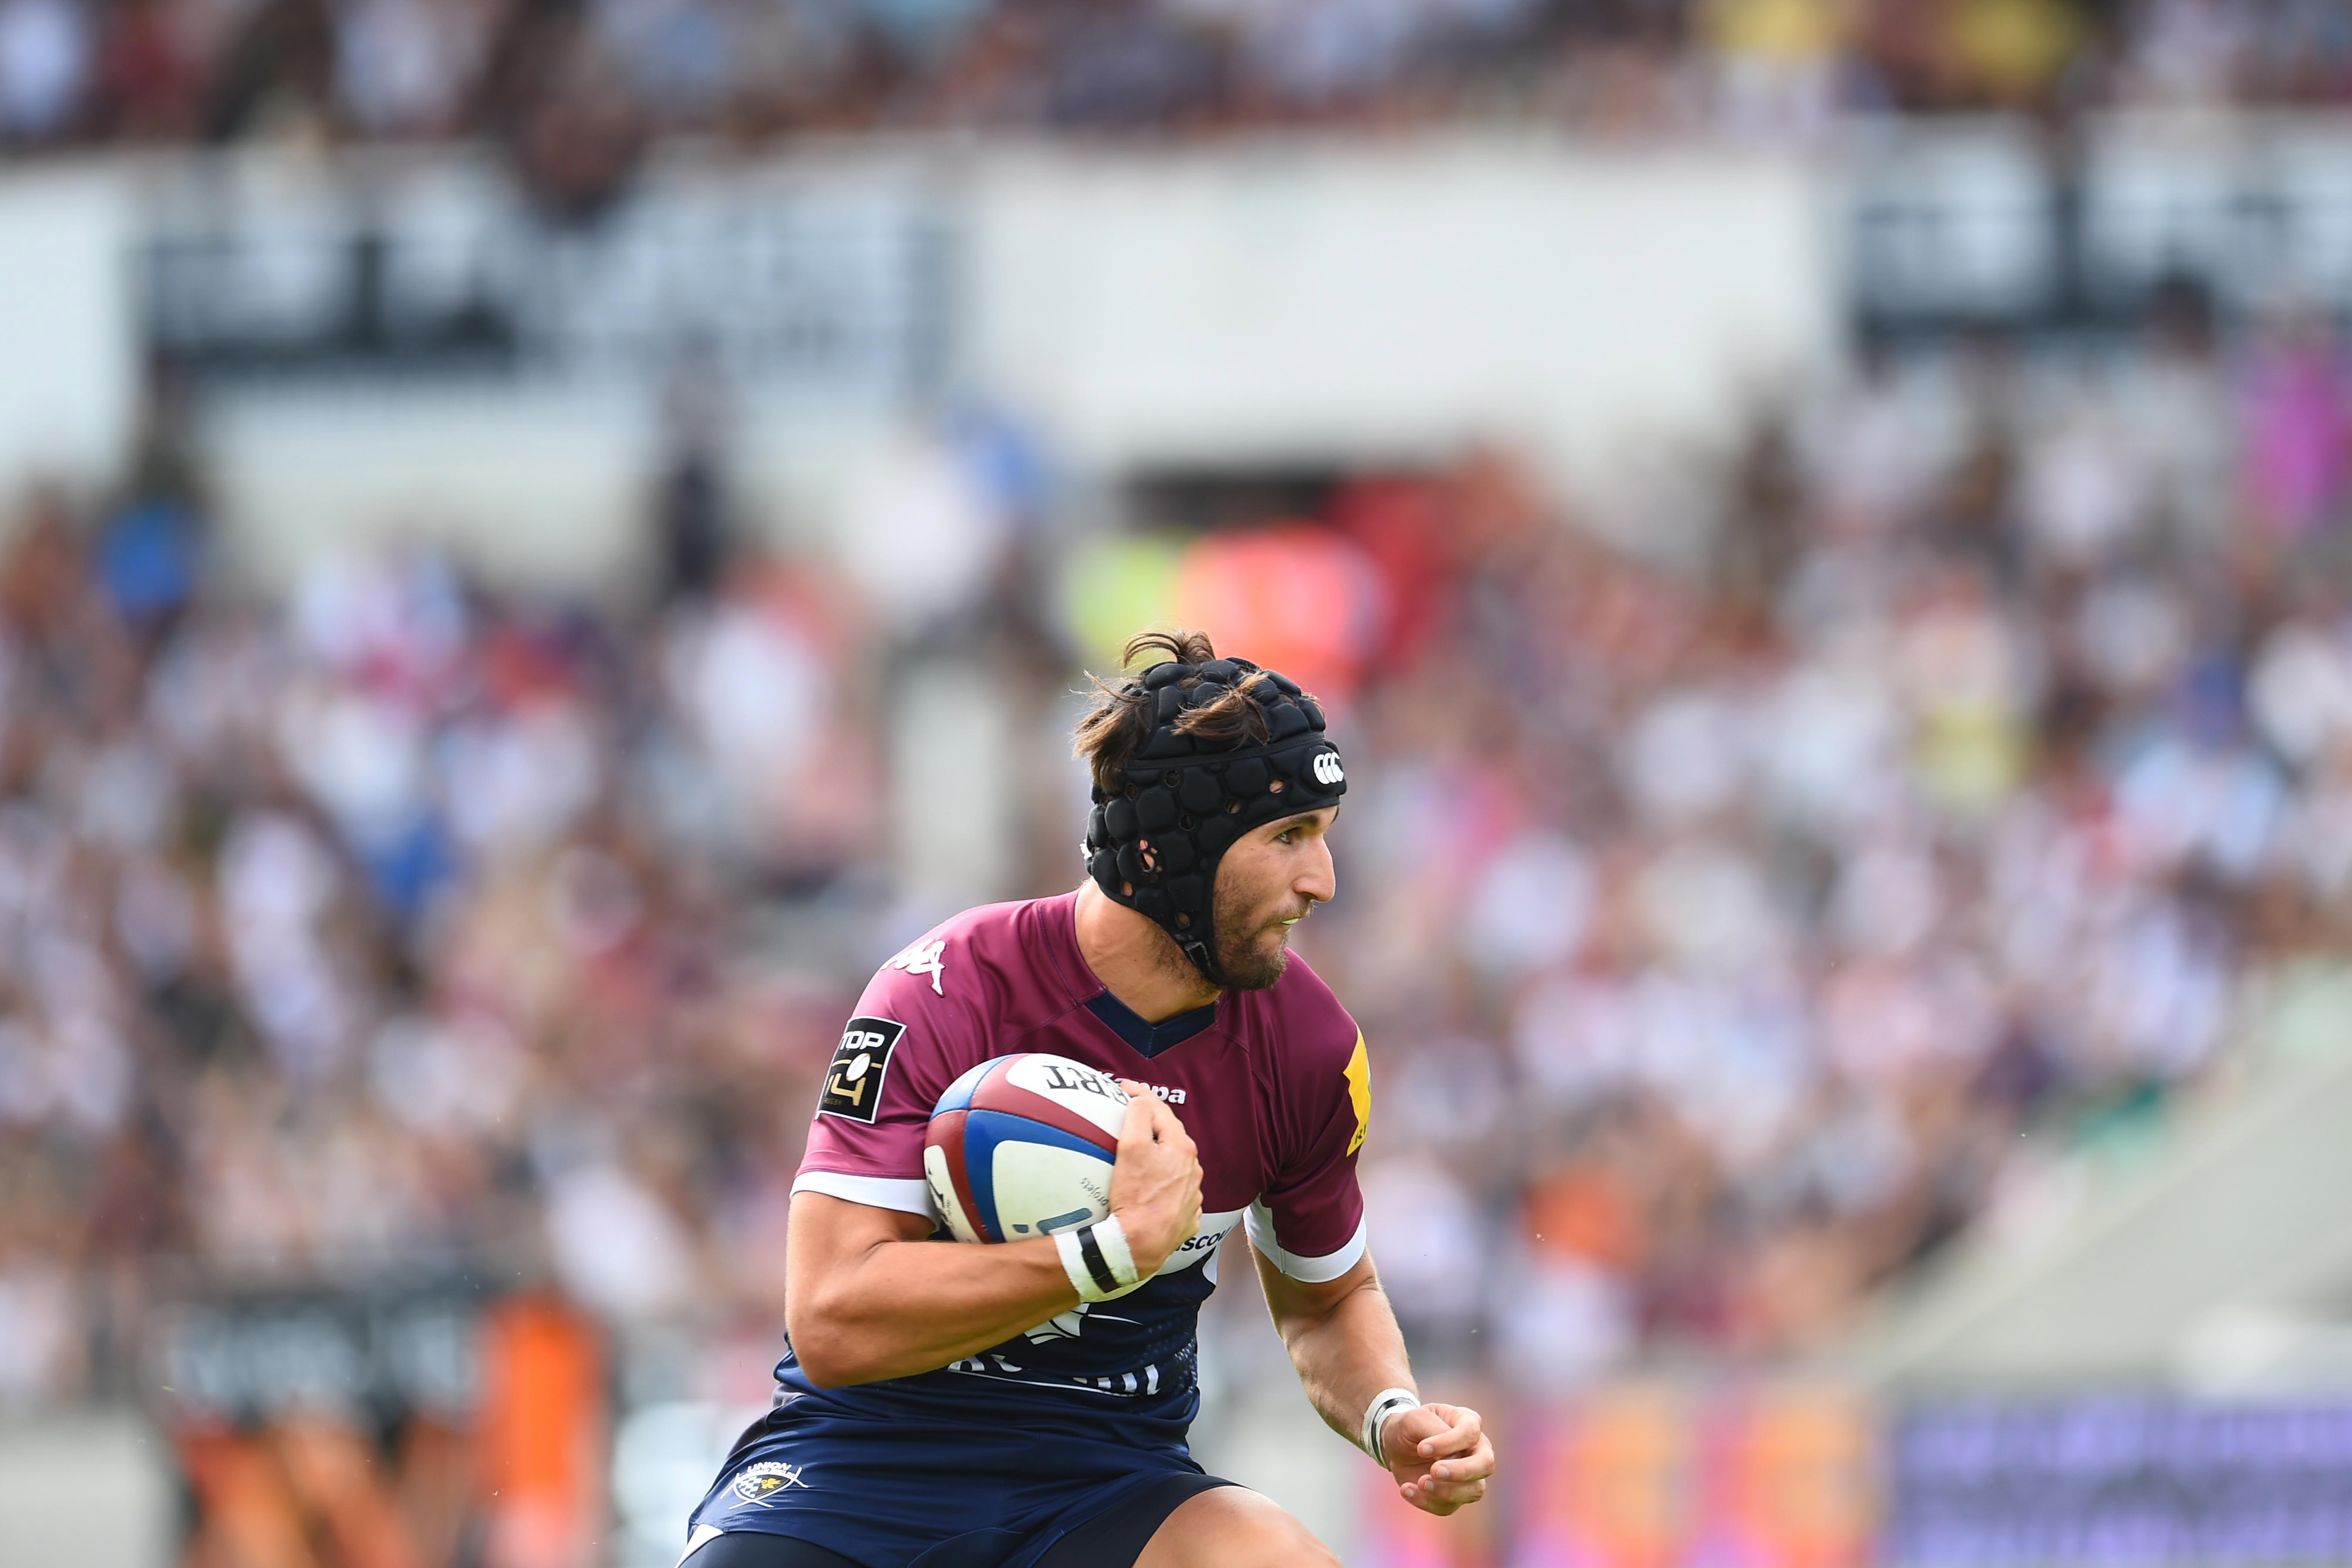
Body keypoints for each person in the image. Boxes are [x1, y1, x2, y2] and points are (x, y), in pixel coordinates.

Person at [681, 629, 1497, 1567]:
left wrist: (1392, 1417)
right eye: (1286, 838)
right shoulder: (943, 992)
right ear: (1169, 853)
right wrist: (1106, 1254)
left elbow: (1325, 1302)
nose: (1322, 881)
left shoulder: (1310, 1047)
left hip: (1109, 1483)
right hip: (866, 1466)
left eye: (1322, 836)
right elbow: (829, 1318)